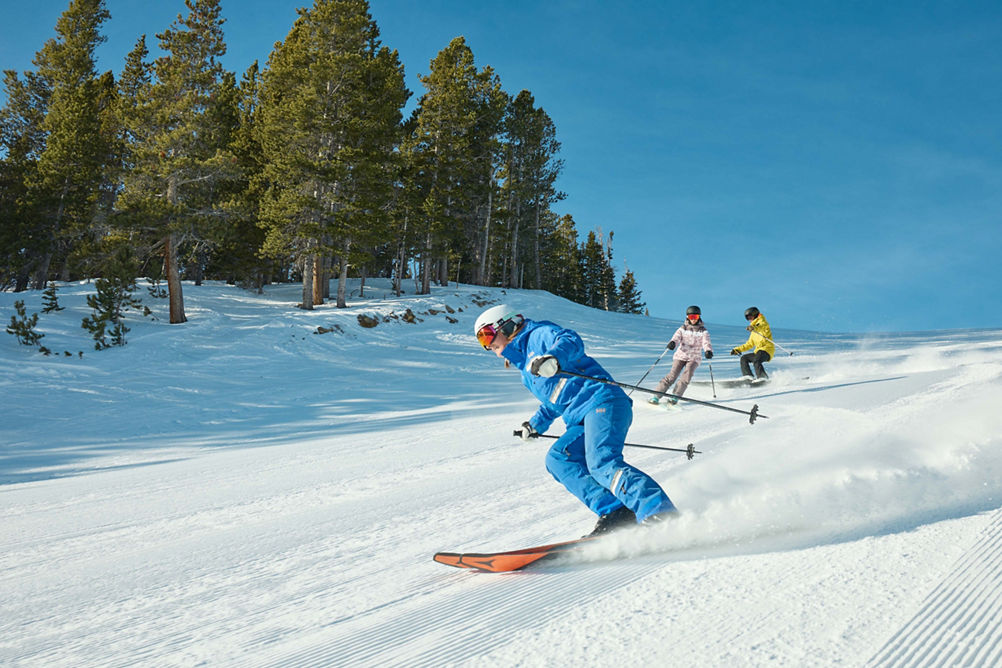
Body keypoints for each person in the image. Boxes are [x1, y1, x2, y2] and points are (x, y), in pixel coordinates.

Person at [474, 304, 678, 536]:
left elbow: (571, 340)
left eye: (487, 335)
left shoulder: (538, 335)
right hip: (579, 417)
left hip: (603, 401)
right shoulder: (526, 373)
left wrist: (553, 357)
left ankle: (659, 511)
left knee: (601, 463)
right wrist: (534, 425)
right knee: (558, 459)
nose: (487, 345)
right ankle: (616, 512)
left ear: (506, 324)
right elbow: (554, 401)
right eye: (481, 340)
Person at [648, 305, 713, 405]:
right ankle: (656, 396)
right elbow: (676, 337)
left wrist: (708, 351)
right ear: (687, 317)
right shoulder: (683, 328)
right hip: (680, 355)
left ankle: (675, 397)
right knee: (672, 376)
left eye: (695, 317)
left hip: (694, 358)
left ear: (699, 317)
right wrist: (673, 342)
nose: (693, 320)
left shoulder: (703, 331)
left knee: (686, 377)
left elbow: (706, 342)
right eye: (691, 317)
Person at [730, 306, 774, 379]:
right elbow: (749, 344)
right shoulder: (753, 332)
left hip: (767, 350)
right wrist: (738, 349)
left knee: (757, 360)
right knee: (744, 358)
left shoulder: (763, 322)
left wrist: (754, 328)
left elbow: (761, 326)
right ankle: (748, 377)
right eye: (747, 318)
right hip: (758, 351)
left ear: (755, 315)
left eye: (750, 317)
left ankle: (763, 378)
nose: (749, 319)